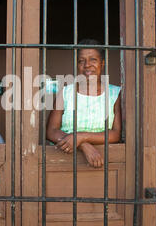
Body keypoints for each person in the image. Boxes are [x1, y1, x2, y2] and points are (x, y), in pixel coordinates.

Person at [46, 39, 122, 168]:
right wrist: (82, 144)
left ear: (102, 64)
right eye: (81, 61)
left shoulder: (115, 93)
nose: (87, 65)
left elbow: (116, 134)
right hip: (63, 163)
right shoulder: (65, 93)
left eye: (93, 60)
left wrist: (82, 137)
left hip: (105, 163)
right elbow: (51, 131)